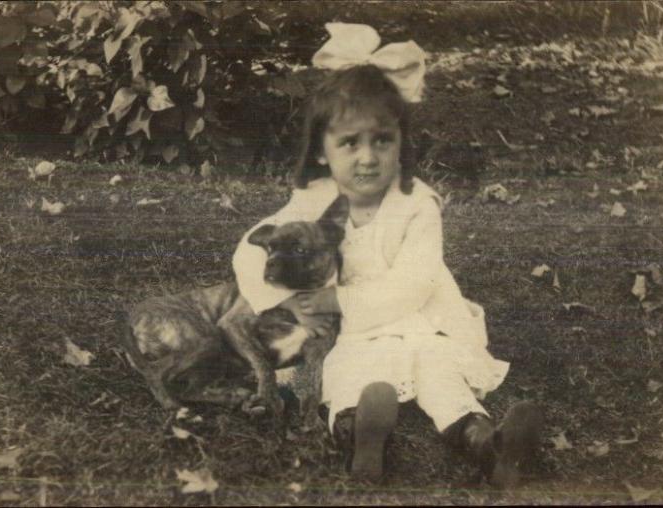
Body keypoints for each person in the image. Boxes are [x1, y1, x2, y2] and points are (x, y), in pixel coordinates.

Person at [232, 23, 542, 487]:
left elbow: (416, 282)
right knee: (346, 370)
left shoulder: (416, 203)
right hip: (353, 336)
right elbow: (252, 246)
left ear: (401, 142)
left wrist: (339, 300)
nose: (368, 157)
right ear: (321, 152)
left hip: (421, 319)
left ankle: (487, 442)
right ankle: (361, 435)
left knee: (440, 370)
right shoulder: (314, 199)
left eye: (382, 140)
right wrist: (281, 302)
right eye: (350, 143)